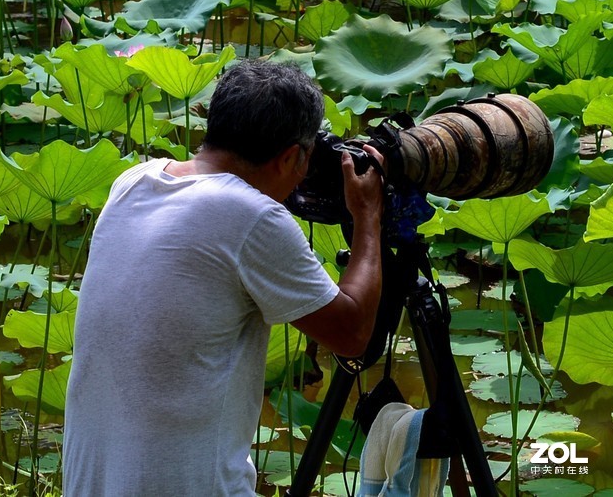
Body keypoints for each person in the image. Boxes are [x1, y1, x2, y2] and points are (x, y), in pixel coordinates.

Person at [62, 60, 384, 496]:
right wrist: (368, 216)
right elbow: (353, 334)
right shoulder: (253, 217)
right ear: (291, 157)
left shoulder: (133, 181)